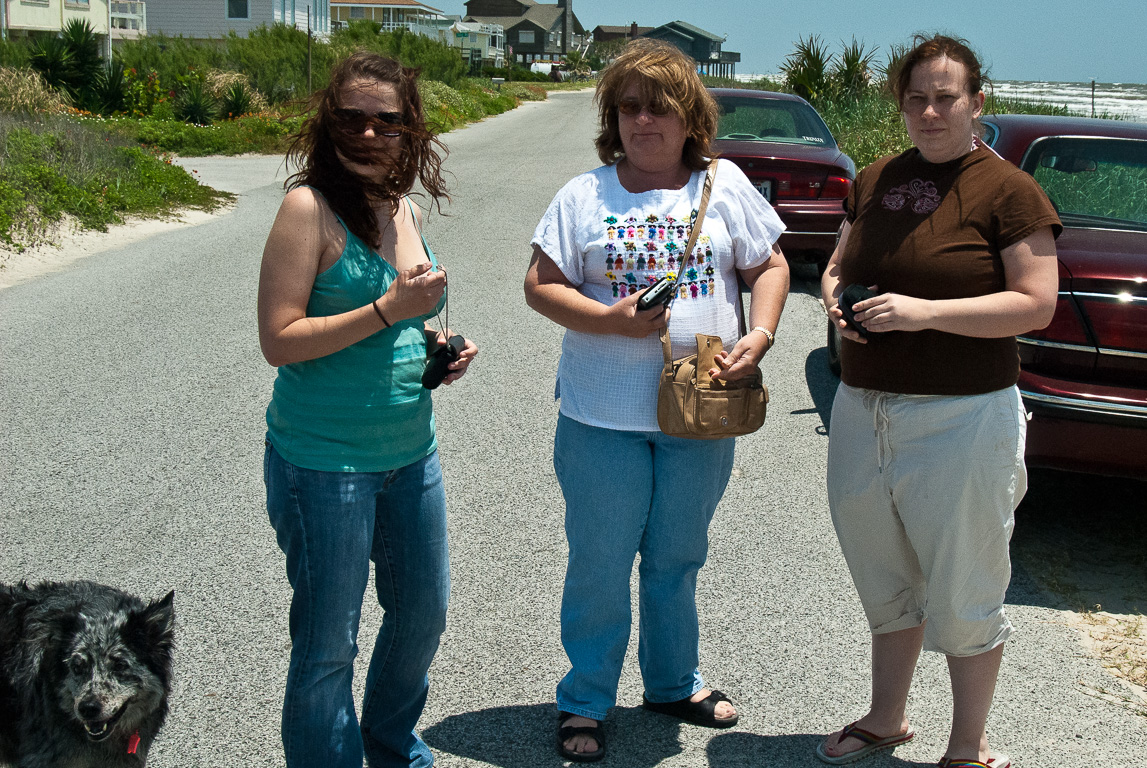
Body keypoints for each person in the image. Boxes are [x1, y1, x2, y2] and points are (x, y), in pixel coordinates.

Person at [523, 38, 789, 763]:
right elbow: (539, 285)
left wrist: (759, 334)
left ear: (688, 115)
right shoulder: (584, 195)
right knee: (601, 560)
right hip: (600, 415)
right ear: (614, 118)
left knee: (677, 557)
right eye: (630, 107)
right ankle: (584, 699)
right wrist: (610, 319)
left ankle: (672, 682)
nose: (645, 120)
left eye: (660, 106)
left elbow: (768, 263)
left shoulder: (724, 183)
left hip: (702, 409)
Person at [817, 35, 1060, 768]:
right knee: (881, 572)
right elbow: (836, 263)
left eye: (945, 96)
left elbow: (1035, 304)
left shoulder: (1008, 191)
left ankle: (965, 745)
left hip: (960, 415)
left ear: (976, 102)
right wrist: (834, 299)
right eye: (915, 97)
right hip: (862, 409)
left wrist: (923, 313)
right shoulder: (875, 178)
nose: (929, 110)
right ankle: (885, 718)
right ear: (900, 104)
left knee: (962, 584)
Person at [257, 52, 477, 768]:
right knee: (328, 643)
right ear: (329, 121)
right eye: (352, 117)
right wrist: (391, 309)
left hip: (411, 451)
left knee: (421, 617)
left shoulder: (402, 208)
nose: (369, 132)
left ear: (411, 127)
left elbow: (408, 320)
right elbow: (279, 340)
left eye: (386, 120)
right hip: (324, 462)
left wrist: (436, 345)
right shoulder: (306, 209)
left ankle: (388, 747)